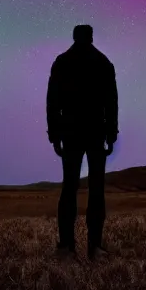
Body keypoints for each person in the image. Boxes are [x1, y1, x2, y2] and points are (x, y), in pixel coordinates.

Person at [46, 24, 119, 261]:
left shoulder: (63, 62)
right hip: (94, 132)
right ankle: (93, 247)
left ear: (75, 37)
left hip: (72, 133)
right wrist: (111, 134)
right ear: (91, 37)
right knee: (95, 189)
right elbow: (112, 102)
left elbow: (52, 101)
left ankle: (67, 246)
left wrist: (55, 134)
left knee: (70, 188)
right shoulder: (103, 62)